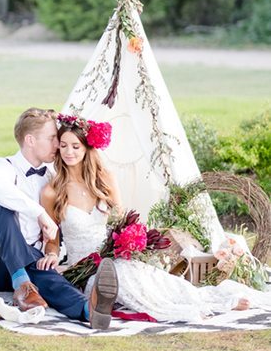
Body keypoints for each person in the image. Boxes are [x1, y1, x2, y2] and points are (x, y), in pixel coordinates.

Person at [40, 114, 271, 324]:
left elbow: (121, 219)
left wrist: (128, 242)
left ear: (87, 148)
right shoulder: (52, 191)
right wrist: (51, 254)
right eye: (63, 146)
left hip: (112, 253)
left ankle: (213, 300)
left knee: (151, 278)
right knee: (125, 283)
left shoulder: (104, 179)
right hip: (86, 265)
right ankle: (183, 309)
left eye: (75, 146)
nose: (68, 152)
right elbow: (52, 237)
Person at [0, 107, 119, 330]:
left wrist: (52, 254)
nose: (58, 145)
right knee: (0, 202)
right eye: (52, 139)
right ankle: (22, 282)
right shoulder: (2, 167)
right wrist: (39, 214)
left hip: (26, 261)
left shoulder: (50, 179)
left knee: (44, 269)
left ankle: (88, 310)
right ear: (30, 140)